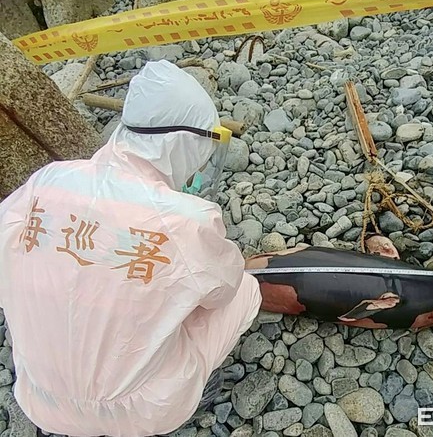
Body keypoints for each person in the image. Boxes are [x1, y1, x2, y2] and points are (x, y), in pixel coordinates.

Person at [0, 60, 261, 437]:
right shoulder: (187, 219)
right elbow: (223, 292)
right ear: (183, 142)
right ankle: (198, 390)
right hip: (143, 412)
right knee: (246, 291)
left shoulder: (49, 180)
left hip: (40, 399)